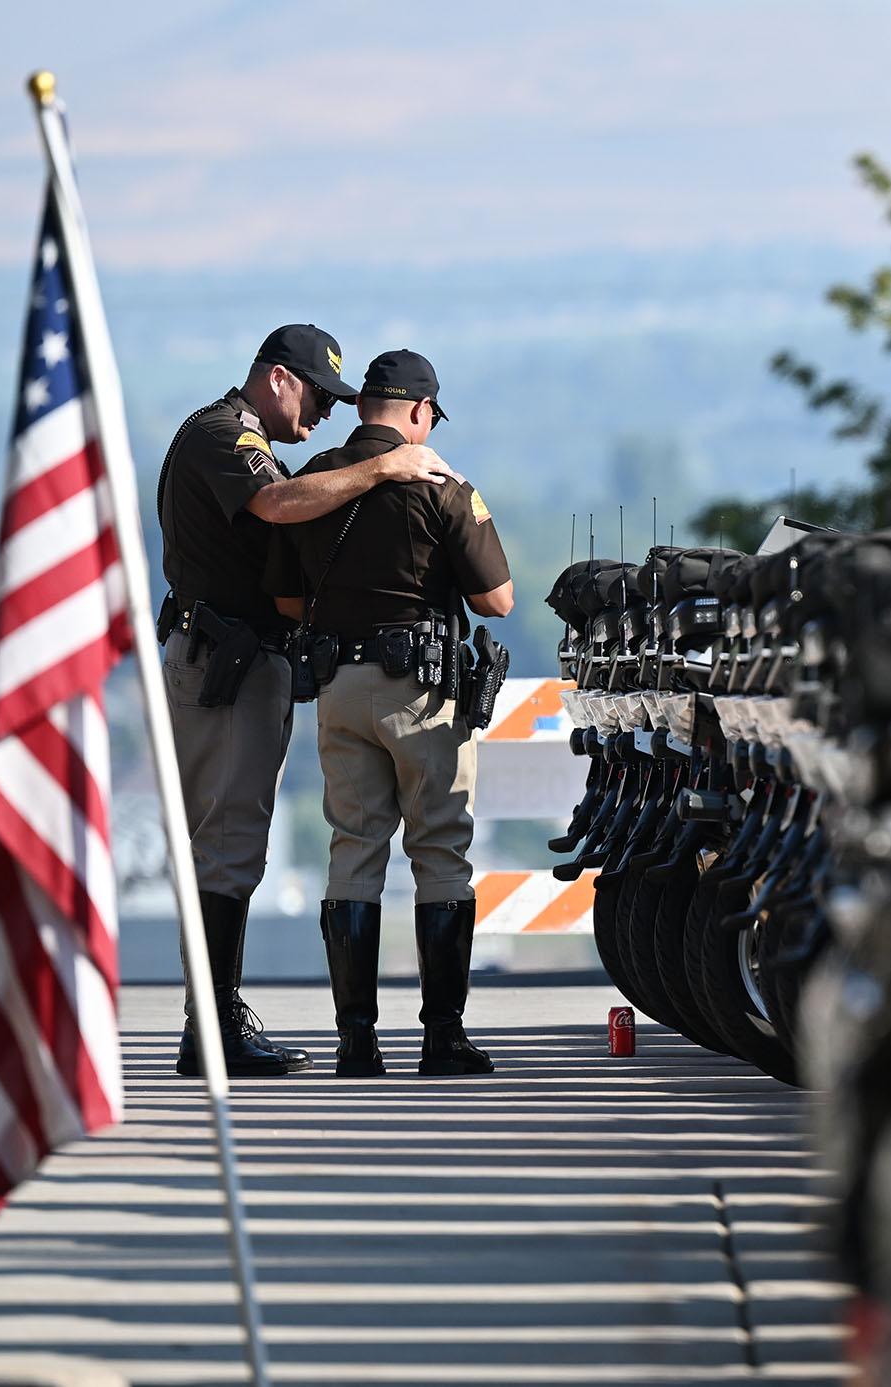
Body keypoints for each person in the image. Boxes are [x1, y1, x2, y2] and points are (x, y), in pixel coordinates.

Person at [156, 324, 460, 1077]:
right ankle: (213, 1029)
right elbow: (279, 503)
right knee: (226, 847)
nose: (325, 416)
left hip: (242, 659)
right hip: (222, 661)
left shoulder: (240, 436)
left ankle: (216, 1016)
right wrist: (387, 466)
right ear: (280, 378)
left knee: (235, 845)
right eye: (320, 397)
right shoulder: (223, 436)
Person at [265, 349, 515, 1077]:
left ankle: (357, 1042)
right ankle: (442, 1036)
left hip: (338, 689)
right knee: (439, 851)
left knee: (354, 852)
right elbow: (496, 599)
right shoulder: (438, 485)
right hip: (421, 693)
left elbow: (286, 602)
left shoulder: (315, 482)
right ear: (418, 413)